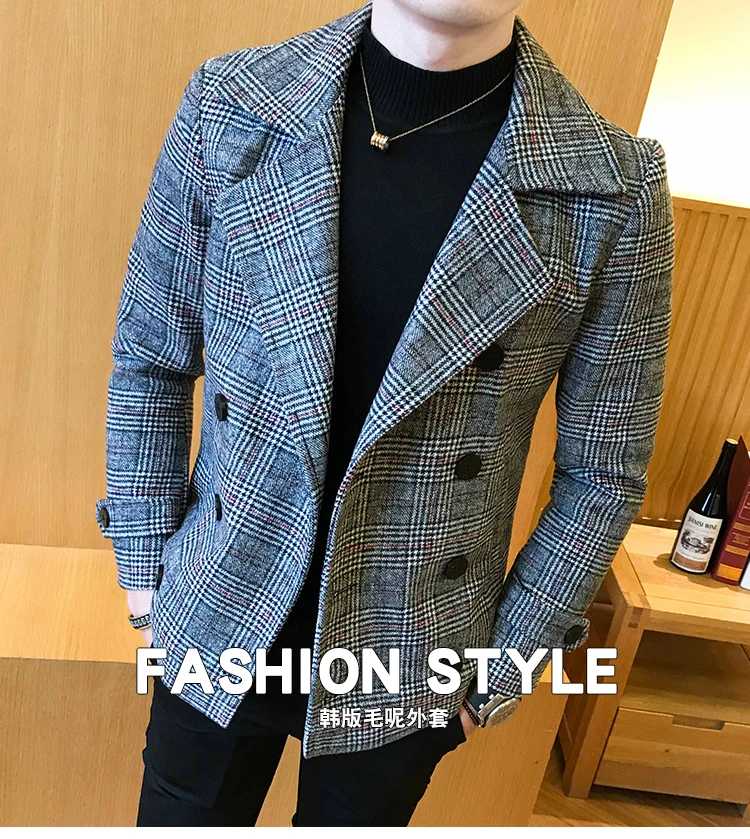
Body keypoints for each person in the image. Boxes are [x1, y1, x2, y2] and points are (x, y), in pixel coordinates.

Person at [94, 0, 674, 826]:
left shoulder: (613, 186)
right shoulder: (231, 104)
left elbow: (603, 473)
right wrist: (147, 581)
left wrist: (497, 673)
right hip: (217, 605)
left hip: (411, 656)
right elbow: (152, 354)